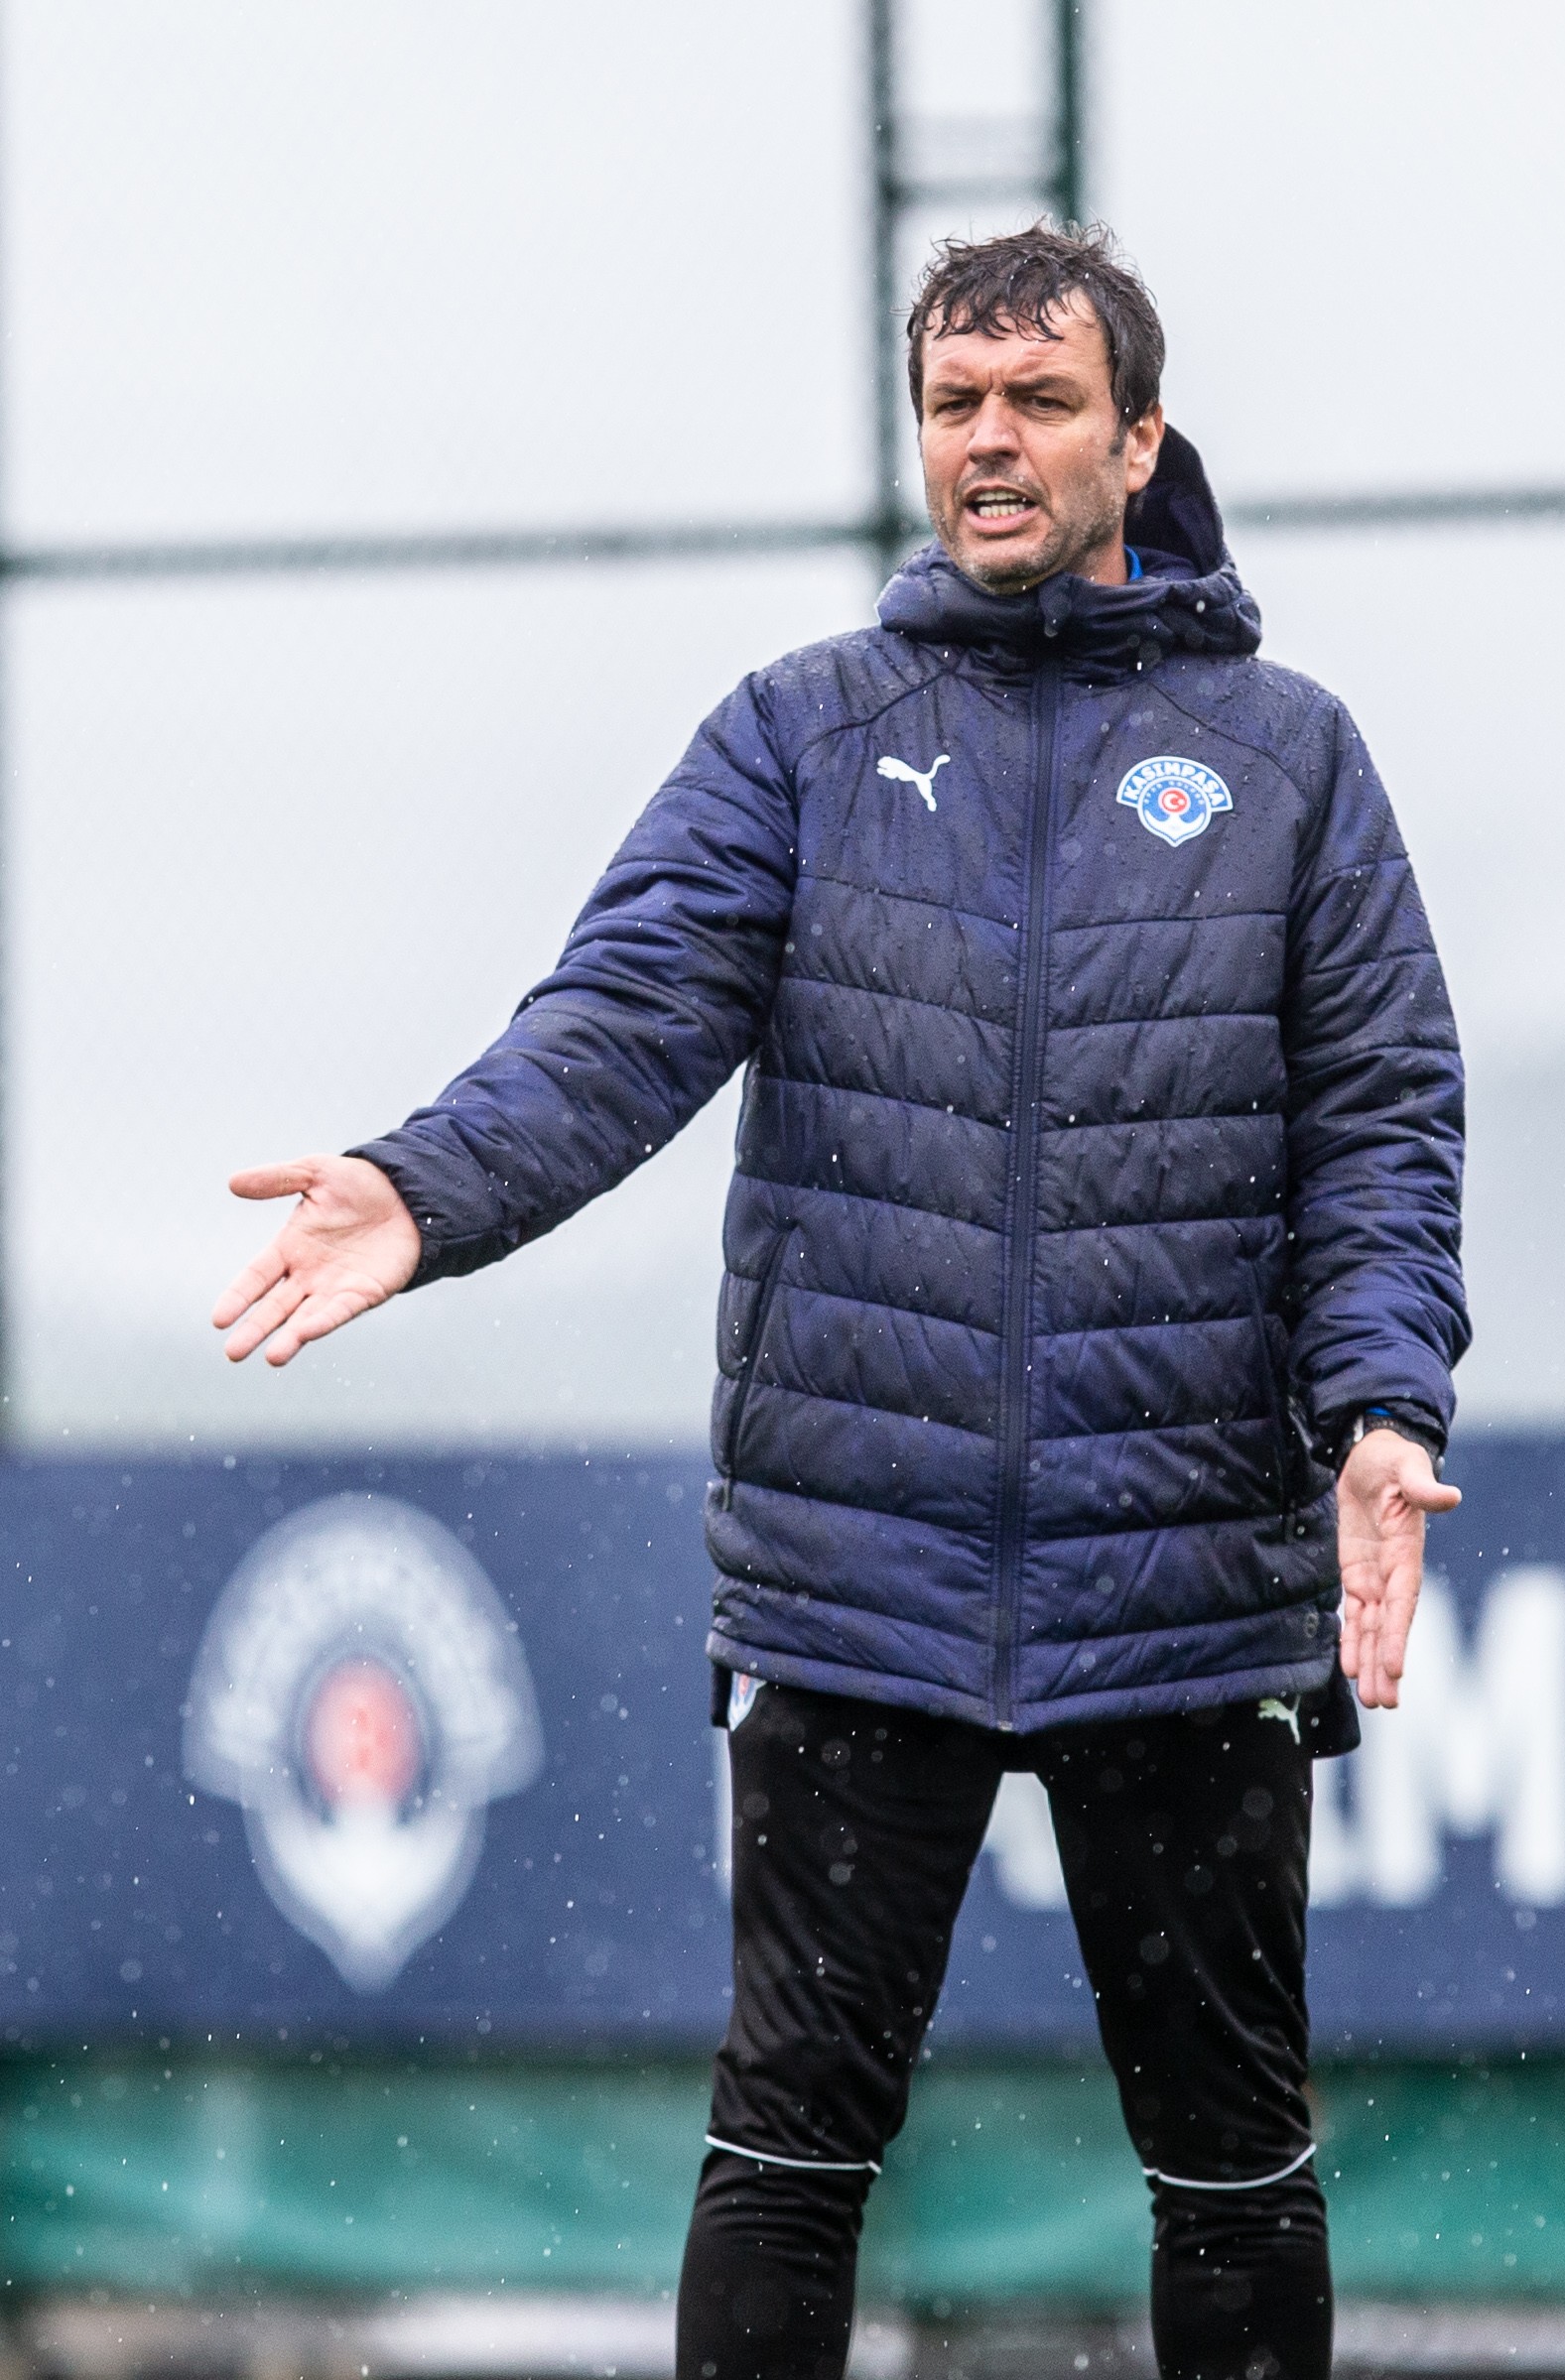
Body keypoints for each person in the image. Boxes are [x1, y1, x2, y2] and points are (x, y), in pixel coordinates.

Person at [215, 223, 1468, 2380]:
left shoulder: (1290, 760)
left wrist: (1384, 1405)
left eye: (1041, 402)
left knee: (1232, 2160)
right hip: (856, 1576)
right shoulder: (802, 735)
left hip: (1186, 1575)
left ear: (1138, 442)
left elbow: (1382, 1123)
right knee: (786, 2148)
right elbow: (620, 1018)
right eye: (954, 403)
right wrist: (430, 1185)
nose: (991, 440)